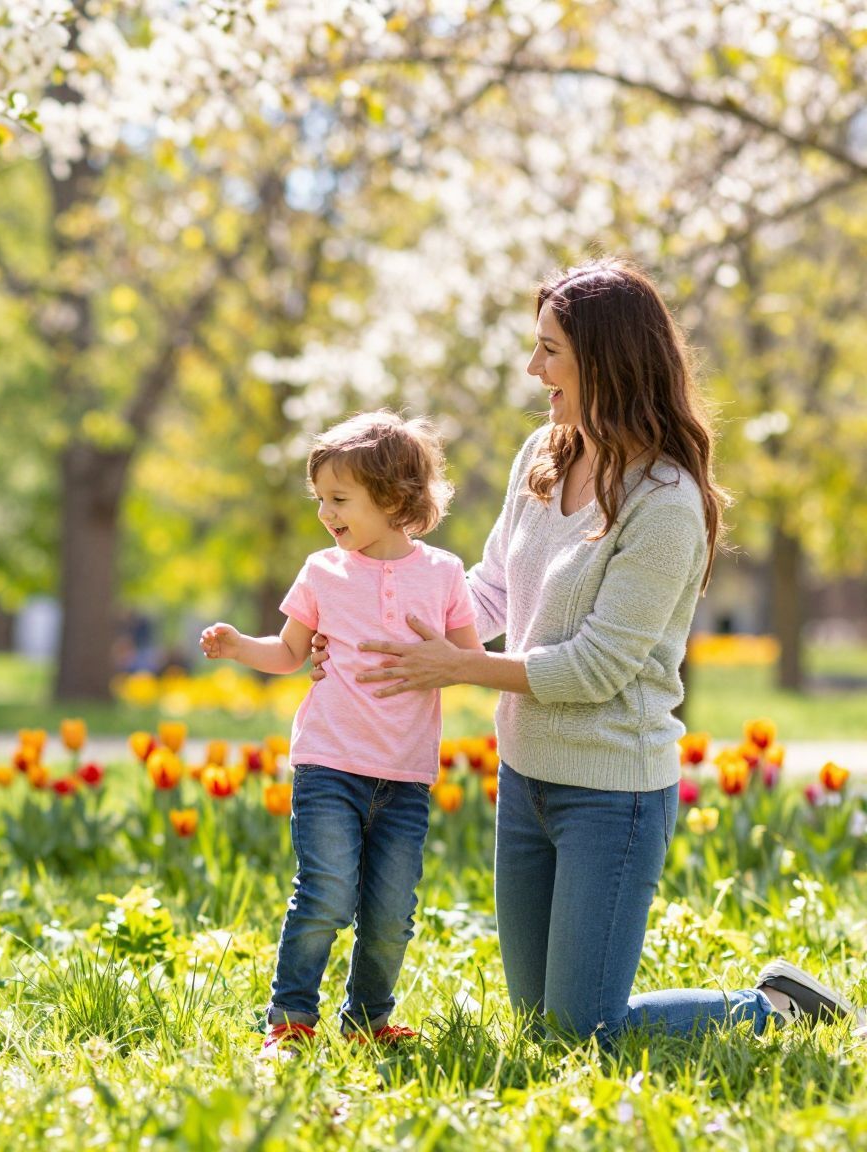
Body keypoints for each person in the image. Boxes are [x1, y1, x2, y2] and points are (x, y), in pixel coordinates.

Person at [343, 258, 853, 1040]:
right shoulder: (542, 456)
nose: (532, 367)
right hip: (526, 782)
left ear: (605, 359)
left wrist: (462, 669)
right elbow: (489, 592)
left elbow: (595, 667)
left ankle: (773, 1010)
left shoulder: (667, 503)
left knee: (586, 1030)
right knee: (538, 1027)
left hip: (611, 794)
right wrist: (377, 638)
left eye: (549, 349)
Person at [201, 411, 479, 1054]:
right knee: (324, 894)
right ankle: (290, 1019)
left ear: (393, 498)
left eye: (340, 499)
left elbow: (470, 658)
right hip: (329, 763)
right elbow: (290, 653)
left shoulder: (442, 573)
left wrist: (443, 656)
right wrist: (242, 646)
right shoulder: (322, 571)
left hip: (405, 775)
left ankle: (367, 1020)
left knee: (389, 915)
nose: (326, 512)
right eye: (320, 499)